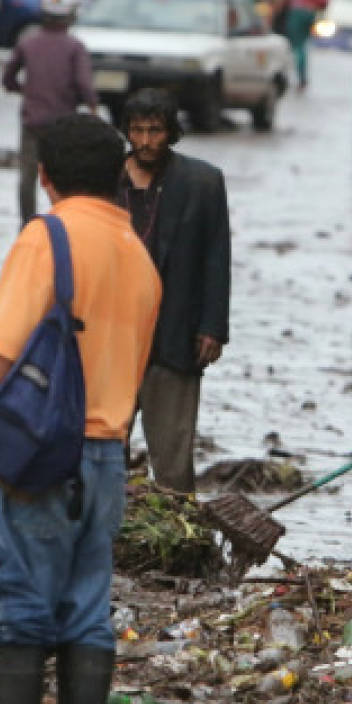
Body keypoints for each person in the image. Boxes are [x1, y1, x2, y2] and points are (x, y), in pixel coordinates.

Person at [0, 114, 162, 704]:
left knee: (15, 594)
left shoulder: (48, 237)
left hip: (35, 451)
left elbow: (1, 353)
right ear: (119, 174)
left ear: (44, 177)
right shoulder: (139, 255)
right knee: (87, 604)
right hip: (106, 457)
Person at [119, 88, 230, 494]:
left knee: (172, 455)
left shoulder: (202, 183)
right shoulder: (104, 181)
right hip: (113, 334)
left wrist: (213, 327)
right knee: (101, 445)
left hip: (175, 331)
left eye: (155, 131)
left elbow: (216, 258)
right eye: (137, 131)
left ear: (171, 132)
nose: (146, 141)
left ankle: (177, 537)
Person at [2, 0, 96, 227]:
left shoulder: (28, 42)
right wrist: (94, 108)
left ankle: (28, 224)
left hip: (32, 121)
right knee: (64, 177)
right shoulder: (75, 47)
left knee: (28, 176)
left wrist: (22, 89)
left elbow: (8, 77)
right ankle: (62, 222)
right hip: (63, 125)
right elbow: (84, 84)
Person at [276, 0, 328, 90]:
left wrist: (275, 12)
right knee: (303, 45)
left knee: (296, 46)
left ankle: (297, 75)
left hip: (297, 13)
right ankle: (302, 76)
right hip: (310, 14)